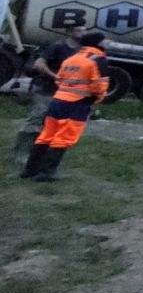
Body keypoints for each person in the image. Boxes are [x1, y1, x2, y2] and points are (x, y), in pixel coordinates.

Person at [20, 30, 109, 182]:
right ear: (98, 43)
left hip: (58, 101)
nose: (107, 43)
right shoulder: (98, 60)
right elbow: (99, 86)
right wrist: (96, 99)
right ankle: (47, 173)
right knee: (63, 138)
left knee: (46, 135)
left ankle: (30, 170)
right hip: (78, 104)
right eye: (104, 40)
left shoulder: (72, 58)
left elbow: (59, 79)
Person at [12, 21, 86, 167]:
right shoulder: (58, 47)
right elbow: (39, 64)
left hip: (64, 95)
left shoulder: (81, 50)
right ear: (69, 32)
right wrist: (55, 76)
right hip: (46, 90)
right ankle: (22, 153)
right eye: (79, 31)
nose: (83, 33)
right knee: (35, 121)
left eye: (84, 30)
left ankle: (39, 155)